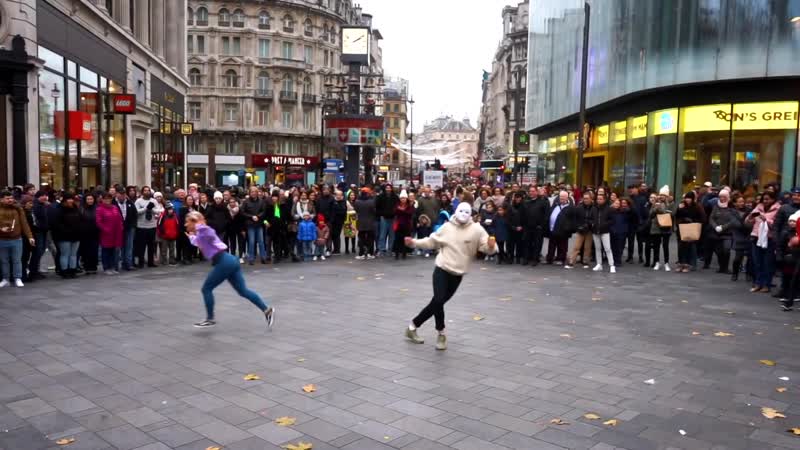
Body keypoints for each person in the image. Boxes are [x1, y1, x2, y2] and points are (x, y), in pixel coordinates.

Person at [404, 202, 497, 351]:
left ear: (470, 214)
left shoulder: (477, 230)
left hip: (457, 274)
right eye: (461, 211)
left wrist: (491, 246)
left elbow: (487, 247)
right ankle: (441, 334)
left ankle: (412, 326)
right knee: (439, 300)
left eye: (467, 212)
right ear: (456, 211)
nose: (463, 215)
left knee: (436, 303)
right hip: (442, 268)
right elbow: (431, 242)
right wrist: (414, 243)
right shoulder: (447, 227)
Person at [184, 211, 274, 328]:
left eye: (187, 222)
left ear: (194, 222)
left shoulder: (204, 230)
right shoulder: (201, 234)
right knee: (243, 291)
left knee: (206, 289)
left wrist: (198, 224)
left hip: (224, 262)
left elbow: (209, 233)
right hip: (230, 261)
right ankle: (267, 310)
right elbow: (199, 242)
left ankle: (210, 319)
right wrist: (191, 236)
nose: (185, 224)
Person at [747, 191, 780, 293]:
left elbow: (777, 225)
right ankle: (758, 283)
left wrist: (766, 220)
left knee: (767, 263)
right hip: (756, 237)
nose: (765, 201)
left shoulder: (778, 209)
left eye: (767, 199)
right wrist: (750, 217)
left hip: (769, 238)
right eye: (764, 199)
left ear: (773, 199)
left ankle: (766, 284)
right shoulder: (758, 207)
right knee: (757, 262)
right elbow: (748, 222)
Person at [0, 191, 34, 287]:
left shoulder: (18, 209)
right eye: (7, 198)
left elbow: (24, 224)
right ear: (1, 199)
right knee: (4, 261)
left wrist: (30, 236)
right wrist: (1, 229)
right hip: (2, 239)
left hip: (16, 238)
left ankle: (17, 278)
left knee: (17, 260)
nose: (10, 200)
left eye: (11, 198)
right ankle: (5, 279)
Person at [53, 193, 83, 278]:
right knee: (65, 254)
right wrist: (66, 230)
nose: (70, 200)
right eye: (68, 199)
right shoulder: (59, 209)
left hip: (76, 235)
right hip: (64, 236)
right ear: (64, 200)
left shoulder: (76, 208)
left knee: (73, 254)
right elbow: (57, 224)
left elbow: (80, 220)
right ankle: (64, 271)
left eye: (72, 199)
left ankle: (72, 270)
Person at [675, 191, 706, 273]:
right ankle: (681, 263)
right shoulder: (682, 205)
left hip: (692, 229)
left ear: (692, 198)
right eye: (686, 198)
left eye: (689, 198)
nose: (687, 200)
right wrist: (680, 210)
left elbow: (702, 218)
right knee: (681, 247)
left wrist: (693, 221)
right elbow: (677, 216)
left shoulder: (697, 206)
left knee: (691, 247)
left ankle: (690, 265)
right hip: (682, 229)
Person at [707, 189, 736, 273]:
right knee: (719, 251)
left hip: (727, 233)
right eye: (720, 197)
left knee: (726, 249)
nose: (722, 198)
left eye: (724, 197)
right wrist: (715, 226)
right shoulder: (716, 206)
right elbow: (711, 218)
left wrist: (723, 227)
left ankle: (726, 267)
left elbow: (733, 220)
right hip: (717, 233)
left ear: (727, 197)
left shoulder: (731, 207)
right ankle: (721, 267)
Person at [96, 192, 124, 275]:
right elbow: (98, 222)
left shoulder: (115, 207)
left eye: (109, 198)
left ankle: (112, 267)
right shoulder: (99, 209)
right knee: (106, 251)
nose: (107, 200)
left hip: (116, 233)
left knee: (113, 251)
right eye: (105, 198)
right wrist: (105, 229)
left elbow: (120, 218)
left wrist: (121, 227)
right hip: (106, 234)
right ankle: (106, 268)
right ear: (102, 200)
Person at [134, 186, 162, 268]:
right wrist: (146, 208)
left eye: (148, 190)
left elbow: (158, 211)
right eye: (145, 190)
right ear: (142, 192)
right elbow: (136, 211)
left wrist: (152, 209)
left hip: (152, 226)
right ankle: (141, 262)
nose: (147, 192)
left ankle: (151, 262)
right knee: (141, 246)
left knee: (151, 245)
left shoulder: (154, 201)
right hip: (141, 226)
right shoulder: (138, 201)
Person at [649, 186, 675, 271]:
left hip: (666, 227)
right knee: (656, 246)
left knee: (665, 246)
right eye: (661, 195)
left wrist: (663, 210)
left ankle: (666, 263)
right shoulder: (656, 203)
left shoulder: (670, 204)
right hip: (656, 227)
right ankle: (657, 262)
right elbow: (651, 215)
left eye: (663, 195)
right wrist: (656, 208)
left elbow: (672, 214)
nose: (661, 196)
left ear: (667, 196)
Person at [567, 193, 594, 269]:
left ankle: (585, 262)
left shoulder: (594, 207)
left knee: (587, 247)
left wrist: (589, 224)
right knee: (576, 247)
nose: (585, 200)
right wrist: (578, 227)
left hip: (589, 229)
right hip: (580, 229)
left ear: (591, 199)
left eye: (587, 198)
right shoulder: (579, 207)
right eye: (584, 198)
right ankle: (571, 262)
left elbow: (594, 218)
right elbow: (575, 218)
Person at [241, 186, 268, 265]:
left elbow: (264, 211)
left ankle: (263, 257)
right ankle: (251, 258)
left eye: (255, 192)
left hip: (259, 224)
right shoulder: (246, 202)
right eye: (252, 192)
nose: (254, 193)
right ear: (250, 193)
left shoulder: (261, 201)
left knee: (261, 242)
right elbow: (243, 212)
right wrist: (251, 217)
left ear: (257, 192)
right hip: (250, 224)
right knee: (251, 242)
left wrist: (258, 216)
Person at [522, 187, 548, 266]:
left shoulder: (543, 202)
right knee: (527, 243)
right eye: (530, 191)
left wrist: (541, 225)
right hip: (527, 227)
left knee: (537, 244)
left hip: (538, 227)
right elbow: (523, 214)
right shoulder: (526, 202)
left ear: (537, 192)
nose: (531, 193)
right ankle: (526, 258)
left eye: (533, 191)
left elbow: (546, 215)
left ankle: (535, 259)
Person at [590, 193, 615, 273]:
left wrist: (605, 224)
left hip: (605, 231)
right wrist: (592, 223)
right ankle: (599, 264)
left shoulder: (608, 209)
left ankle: (611, 265)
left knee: (607, 248)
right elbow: (590, 218)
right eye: (598, 199)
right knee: (597, 248)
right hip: (595, 230)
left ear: (604, 200)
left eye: (600, 199)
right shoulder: (594, 208)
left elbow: (612, 220)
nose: (599, 200)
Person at [730, 195, 753, 282]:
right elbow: (736, 224)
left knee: (750, 258)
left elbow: (752, 221)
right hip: (738, 236)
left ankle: (748, 274)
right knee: (738, 258)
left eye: (743, 201)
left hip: (748, 235)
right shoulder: (732, 211)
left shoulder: (749, 210)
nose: (742, 203)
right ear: (734, 203)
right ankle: (735, 273)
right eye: (739, 202)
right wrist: (746, 224)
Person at [115, 189, 138, 271]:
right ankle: (116, 265)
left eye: (123, 194)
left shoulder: (129, 203)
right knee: (118, 247)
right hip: (117, 228)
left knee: (129, 246)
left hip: (129, 227)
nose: (122, 196)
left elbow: (135, 214)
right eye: (120, 194)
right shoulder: (113, 203)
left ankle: (128, 264)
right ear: (117, 194)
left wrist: (133, 225)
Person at [376, 184, 399, 256]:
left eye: (389, 188)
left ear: (391, 189)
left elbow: (398, 206)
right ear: (385, 189)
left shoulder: (395, 197)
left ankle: (391, 250)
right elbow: (377, 207)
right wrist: (381, 214)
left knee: (392, 235)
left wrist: (395, 214)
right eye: (387, 188)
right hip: (383, 218)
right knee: (382, 235)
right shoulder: (380, 197)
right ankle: (381, 249)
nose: (388, 189)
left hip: (393, 218)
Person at [79, 193, 100, 275]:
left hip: (95, 232)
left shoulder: (97, 208)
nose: (90, 201)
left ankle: (93, 266)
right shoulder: (81, 208)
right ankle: (87, 266)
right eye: (88, 199)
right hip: (84, 233)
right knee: (86, 250)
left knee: (94, 250)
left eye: (91, 199)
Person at [354, 188, 376, 260]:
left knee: (361, 238)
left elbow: (356, 210)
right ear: (368, 193)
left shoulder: (357, 202)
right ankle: (370, 253)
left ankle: (361, 254)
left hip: (361, 222)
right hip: (370, 222)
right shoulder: (372, 201)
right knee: (370, 238)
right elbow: (374, 211)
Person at [392, 190, 415, 259]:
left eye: (404, 198)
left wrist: (401, 210)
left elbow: (410, 213)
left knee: (405, 239)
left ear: (406, 198)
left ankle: (404, 253)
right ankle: (397, 253)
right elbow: (395, 212)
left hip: (406, 225)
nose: (403, 199)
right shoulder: (397, 205)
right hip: (399, 225)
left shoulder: (409, 206)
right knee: (397, 239)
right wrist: (402, 210)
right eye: (402, 198)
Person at [178, 195, 199, 264]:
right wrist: (186, 230)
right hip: (186, 229)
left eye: (191, 199)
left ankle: (190, 257)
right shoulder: (183, 209)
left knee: (191, 244)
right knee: (186, 244)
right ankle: (185, 258)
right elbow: (181, 221)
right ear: (186, 201)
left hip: (193, 229)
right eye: (189, 199)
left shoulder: (194, 208)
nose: (190, 201)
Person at [330, 190, 347, 255]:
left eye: (340, 195)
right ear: (335, 195)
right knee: (332, 235)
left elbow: (343, 211)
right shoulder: (333, 201)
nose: (339, 196)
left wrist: (337, 207)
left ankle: (337, 249)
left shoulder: (343, 202)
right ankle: (332, 248)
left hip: (339, 221)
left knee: (337, 235)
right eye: (337, 195)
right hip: (332, 221)